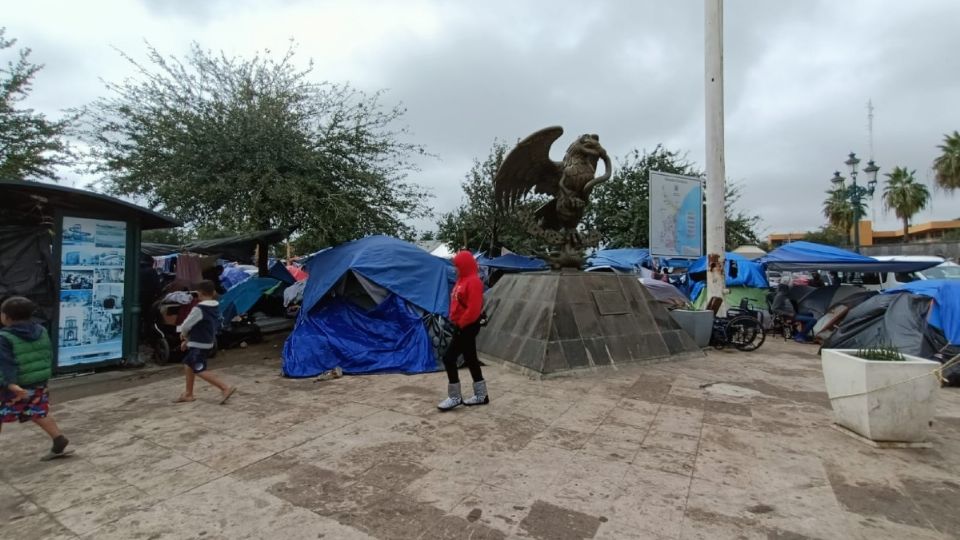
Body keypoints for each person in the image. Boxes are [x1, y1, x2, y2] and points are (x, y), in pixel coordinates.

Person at [0, 297, 71, 460]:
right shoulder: (41, 330)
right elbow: (47, 353)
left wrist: (10, 383)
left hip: (15, 385)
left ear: (7, 317)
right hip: (38, 381)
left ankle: (59, 439)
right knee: (37, 411)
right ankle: (58, 438)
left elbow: (6, 363)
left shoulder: (4, 337)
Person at [437, 251, 489, 411]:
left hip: (467, 326)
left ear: (465, 266)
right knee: (470, 358)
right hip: (460, 325)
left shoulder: (473, 282)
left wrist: (461, 324)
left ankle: (454, 397)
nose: (455, 269)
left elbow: (473, 309)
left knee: (448, 358)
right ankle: (481, 395)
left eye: (457, 266)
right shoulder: (462, 280)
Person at [175, 280, 236, 404]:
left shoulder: (199, 309)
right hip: (207, 341)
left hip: (198, 343)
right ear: (213, 293)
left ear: (198, 294)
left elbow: (187, 325)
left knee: (199, 368)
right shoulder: (215, 307)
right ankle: (188, 393)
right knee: (188, 364)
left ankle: (225, 387)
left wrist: (184, 335)